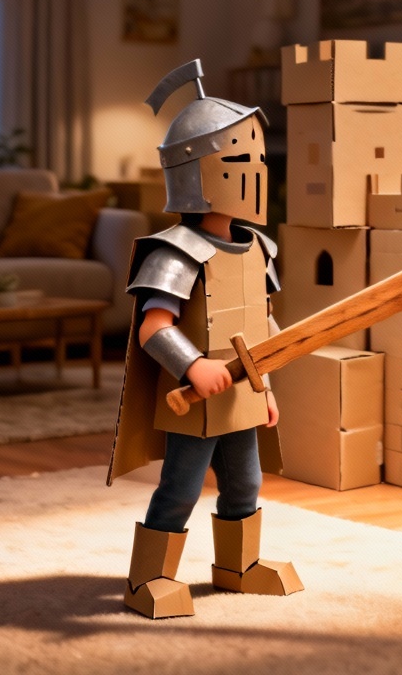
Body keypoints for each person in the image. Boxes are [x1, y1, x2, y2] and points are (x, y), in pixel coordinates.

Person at [107, 59, 302, 619]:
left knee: (246, 483)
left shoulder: (259, 249)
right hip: (195, 402)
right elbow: (154, 327)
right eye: (242, 158)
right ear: (200, 171)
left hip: (242, 393)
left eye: (260, 159)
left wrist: (264, 388)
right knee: (181, 488)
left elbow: (262, 325)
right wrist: (193, 367)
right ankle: (148, 580)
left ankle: (238, 568)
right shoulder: (174, 253)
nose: (256, 170)